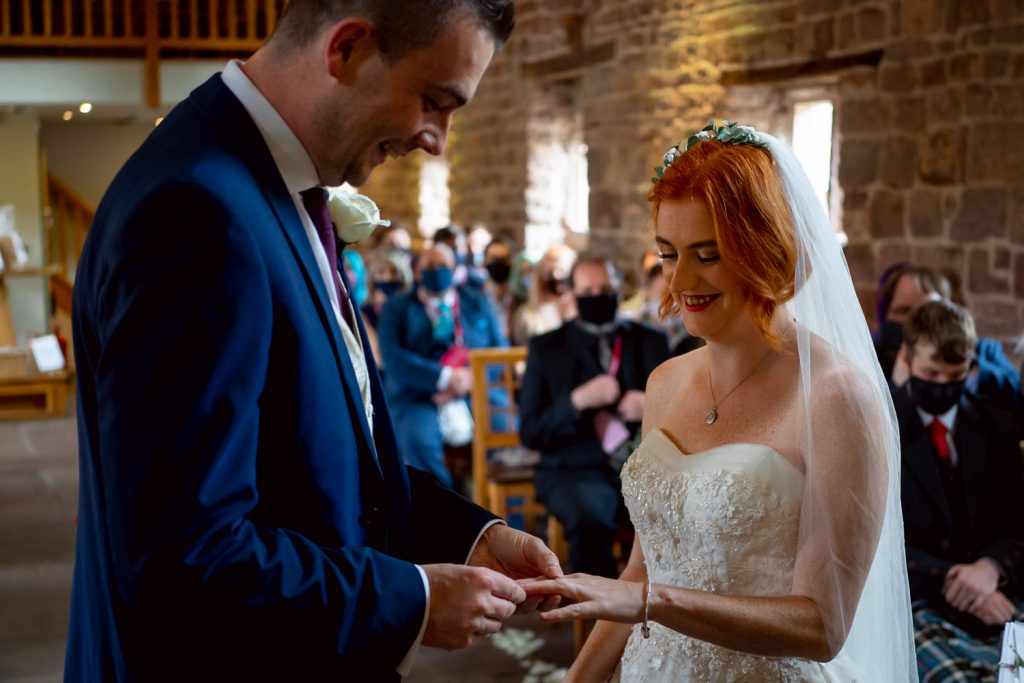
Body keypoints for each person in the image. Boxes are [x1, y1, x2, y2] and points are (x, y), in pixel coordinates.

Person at [65, 2, 564, 681]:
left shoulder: (267, 185)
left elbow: (316, 453)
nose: (438, 139)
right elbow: (185, 555)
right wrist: (413, 598)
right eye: (433, 101)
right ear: (349, 49)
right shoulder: (196, 212)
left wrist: (467, 535)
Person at [521, 120, 916, 681]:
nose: (680, 280)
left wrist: (653, 603)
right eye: (667, 254)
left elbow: (823, 627)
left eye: (707, 254)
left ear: (765, 251)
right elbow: (639, 571)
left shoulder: (837, 398)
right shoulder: (664, 382)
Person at [892, 300, 1024, 682]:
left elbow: (1017, 519)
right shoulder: (882, 431)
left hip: (1000, 589)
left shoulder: (996, 425)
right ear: (906, 358)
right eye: (931, 373)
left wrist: (991, 567)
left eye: (955, 376)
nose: (942, 386)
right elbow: (879, 540)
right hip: (919, 598)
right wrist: (955, 578)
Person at [519, 253, 669, 578]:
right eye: (588, 291)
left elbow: (682, 414)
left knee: (679, 513)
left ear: (620, 289)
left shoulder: (651, 341)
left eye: (606, 288)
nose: (597, 297)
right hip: (574, 469)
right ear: (572, 294)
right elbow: (531, 431)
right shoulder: (547, 348)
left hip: (644, 467)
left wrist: (651, 405)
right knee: (589, 519)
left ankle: (663, 613)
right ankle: (602, 622)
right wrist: (575, 401)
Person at [378, 243, 507, 489]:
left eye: (443, 266)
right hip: (419, 394)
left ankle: (499, 512)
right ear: (418, 272)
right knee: (418, 441)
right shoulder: (398, 307)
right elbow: (393, 358)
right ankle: (448, 512)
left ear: (455, 269)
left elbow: (499, 350)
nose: (437, 272)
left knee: (504, 431)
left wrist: (468, 379)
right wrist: (445, 378)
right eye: (430, 267)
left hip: (476, 389)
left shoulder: (477, 301)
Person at [511, 243, 576, 345]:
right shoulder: (526, 316)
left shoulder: (579, 313)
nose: (556, 276)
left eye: (562, 271)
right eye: (550, 272)